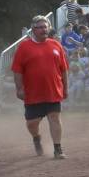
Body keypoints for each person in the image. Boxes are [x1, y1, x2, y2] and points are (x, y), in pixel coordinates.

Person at [11, 16, 70, 158]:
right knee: (32, 123)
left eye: (46, 27)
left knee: (54, 117)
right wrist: (19, 88)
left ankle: (58, 149)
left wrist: (65, 88)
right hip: (33, 93)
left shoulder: (56, 45)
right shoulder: (24, 47)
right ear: (33, 30)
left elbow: (64, 69)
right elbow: (17, 70)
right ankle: (36, 138)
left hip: (53, 90)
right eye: (40, 27)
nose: (44, 30)